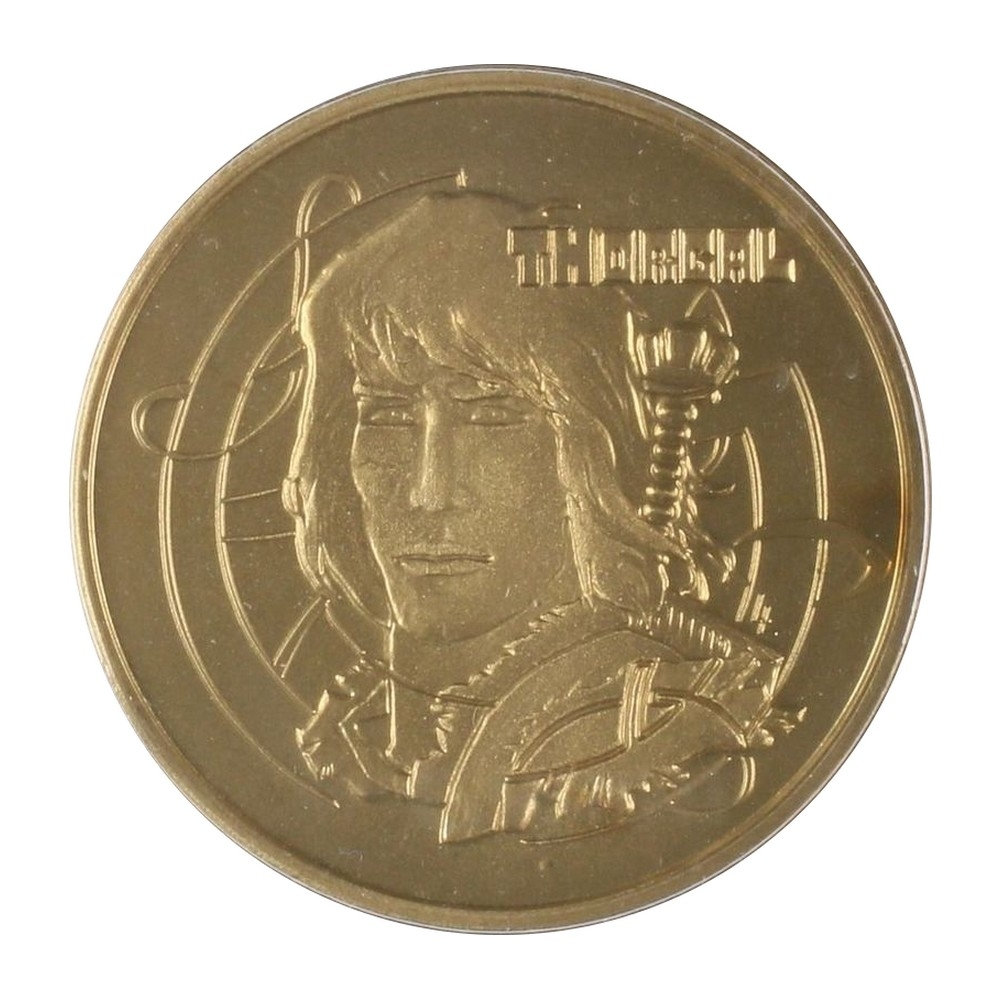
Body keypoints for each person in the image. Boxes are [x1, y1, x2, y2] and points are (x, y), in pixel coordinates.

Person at [282, 188, 785, 843]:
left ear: (591, 450)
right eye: (388, 414)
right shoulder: (354, 721)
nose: (429, 492)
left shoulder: (659, 725)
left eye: (492, 415)